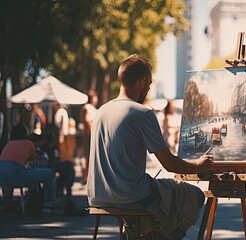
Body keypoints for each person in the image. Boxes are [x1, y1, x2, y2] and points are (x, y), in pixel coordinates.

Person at [87, 54, 214, 239]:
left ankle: (141, 231)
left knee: (159, 192)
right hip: (130, 197)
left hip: (98, 196)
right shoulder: (142, 113)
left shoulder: (100, 112)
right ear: (142, 80)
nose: (148, 89)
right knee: (194, 195)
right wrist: (199, 167)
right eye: (149, 84)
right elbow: (169, 163)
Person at [0, 124, 56, 211]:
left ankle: (8, 202)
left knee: (7, 173)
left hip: (2, 177)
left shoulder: (8, 144)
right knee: (50, 173)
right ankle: (47, 205)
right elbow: (32, 158)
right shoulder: (28, 143)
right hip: (17, 175)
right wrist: (42, 158)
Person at [81, 90, 98, 183]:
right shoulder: (87, 107)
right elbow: (86, 121)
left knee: (92, 156)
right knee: (88, 156)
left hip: (92, 134)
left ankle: (90, 176)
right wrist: (91, 133)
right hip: (89, 135)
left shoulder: (93, 108)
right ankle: (86, 176)